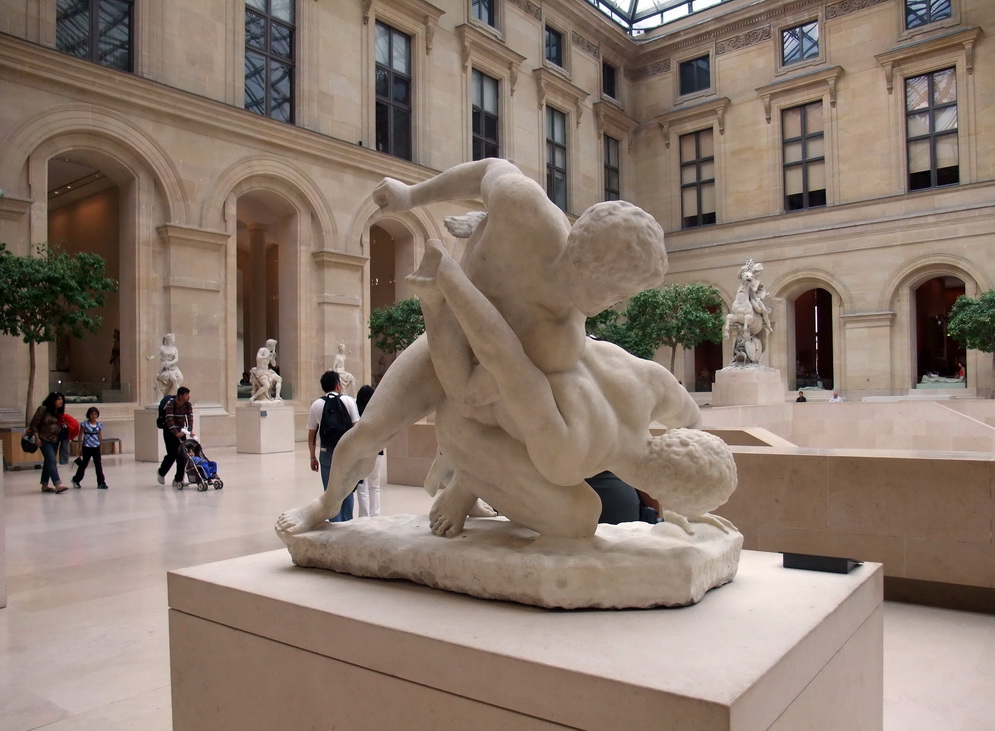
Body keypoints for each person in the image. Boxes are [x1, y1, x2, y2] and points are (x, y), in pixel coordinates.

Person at [276, 159, 723, 538]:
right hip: (447, 338)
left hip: (475, 366)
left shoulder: (561, 338)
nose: (614, 304)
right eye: (613, 292)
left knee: (480, 407)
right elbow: (489, 170)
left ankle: (464, 481)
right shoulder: (525, 211)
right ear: (585, 262)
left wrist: (684, 493)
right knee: (368, 432)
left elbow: (486, 378)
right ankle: (327, 503)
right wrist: (411, 197)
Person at [407, 238, 736, 538]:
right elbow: (504, 359)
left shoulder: (653, 384)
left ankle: (471, 480)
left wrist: (680, 501)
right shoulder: (572, 453)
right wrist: (448, 284)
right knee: (574, 521)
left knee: (549, 473)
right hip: (467, 421)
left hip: (524, 369)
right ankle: (468, 478)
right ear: (664, 493)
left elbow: (692, 423)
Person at [307, 370, 360, 522]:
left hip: (326, 452)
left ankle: (334, 523)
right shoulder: (349, 401)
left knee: (330, 491)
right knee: (347, 489)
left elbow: (311, 436)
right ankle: (347, 521)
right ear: (338, 385)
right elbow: (357, 429)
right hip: (346, 452)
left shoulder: (316, 405)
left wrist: (312, 457)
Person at [27, 391, 70, 494]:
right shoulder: (43, 409)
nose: (61, 401)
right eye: (58, 399)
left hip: (55, 440)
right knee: (51, 460)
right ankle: (57, 484)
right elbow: (34, 424)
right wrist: (37, 438)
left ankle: (44, 485)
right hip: (43, 439)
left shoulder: (58, 412)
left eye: (62, 399)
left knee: (48, 461)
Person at [354, 384, 382, 518]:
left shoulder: (356, 413)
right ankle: (375, 515)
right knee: (374, 486)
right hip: (378, 451)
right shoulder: (379, 411)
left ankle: (364, 516)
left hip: (361, 452)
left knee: (362, 486)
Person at [158, 386, 194, 486]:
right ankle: (161, 472)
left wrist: (190, 430)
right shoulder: (171, 404)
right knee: (172, 455)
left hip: (181, 432)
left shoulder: (188, 405)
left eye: (188, 394)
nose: (188, 397)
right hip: (169, 432)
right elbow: (169, 419)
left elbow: (190, 417)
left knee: (182, 456)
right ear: (180, 395)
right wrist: (175, 432)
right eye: (186, 395)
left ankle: (178, 480)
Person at [72, 406, 107, 489]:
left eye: (95, 414)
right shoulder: (85, 424)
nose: (94, 416)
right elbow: (80, 435)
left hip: (96, 446)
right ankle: (76, 479)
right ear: (89, 415)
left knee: (98, 465)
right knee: (84, 464)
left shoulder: (99, 424)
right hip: (87, 446)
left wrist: (100, 446)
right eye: (92, 414)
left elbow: (100, 435)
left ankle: (101, 482)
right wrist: (80, 446)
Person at [149, 333, 184, 398]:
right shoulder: (162, 348)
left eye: (174, 338)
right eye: (172, 338)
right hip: (165, 368)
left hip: (173, 367)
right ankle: (180, 395)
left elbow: (176, 359)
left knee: (180, 378)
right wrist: (150, 358)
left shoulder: (174, 349)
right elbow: (154, 355)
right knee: (174, 379)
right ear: (168, 340)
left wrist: (170, 363)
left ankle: (168, 393)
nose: (174, 340)